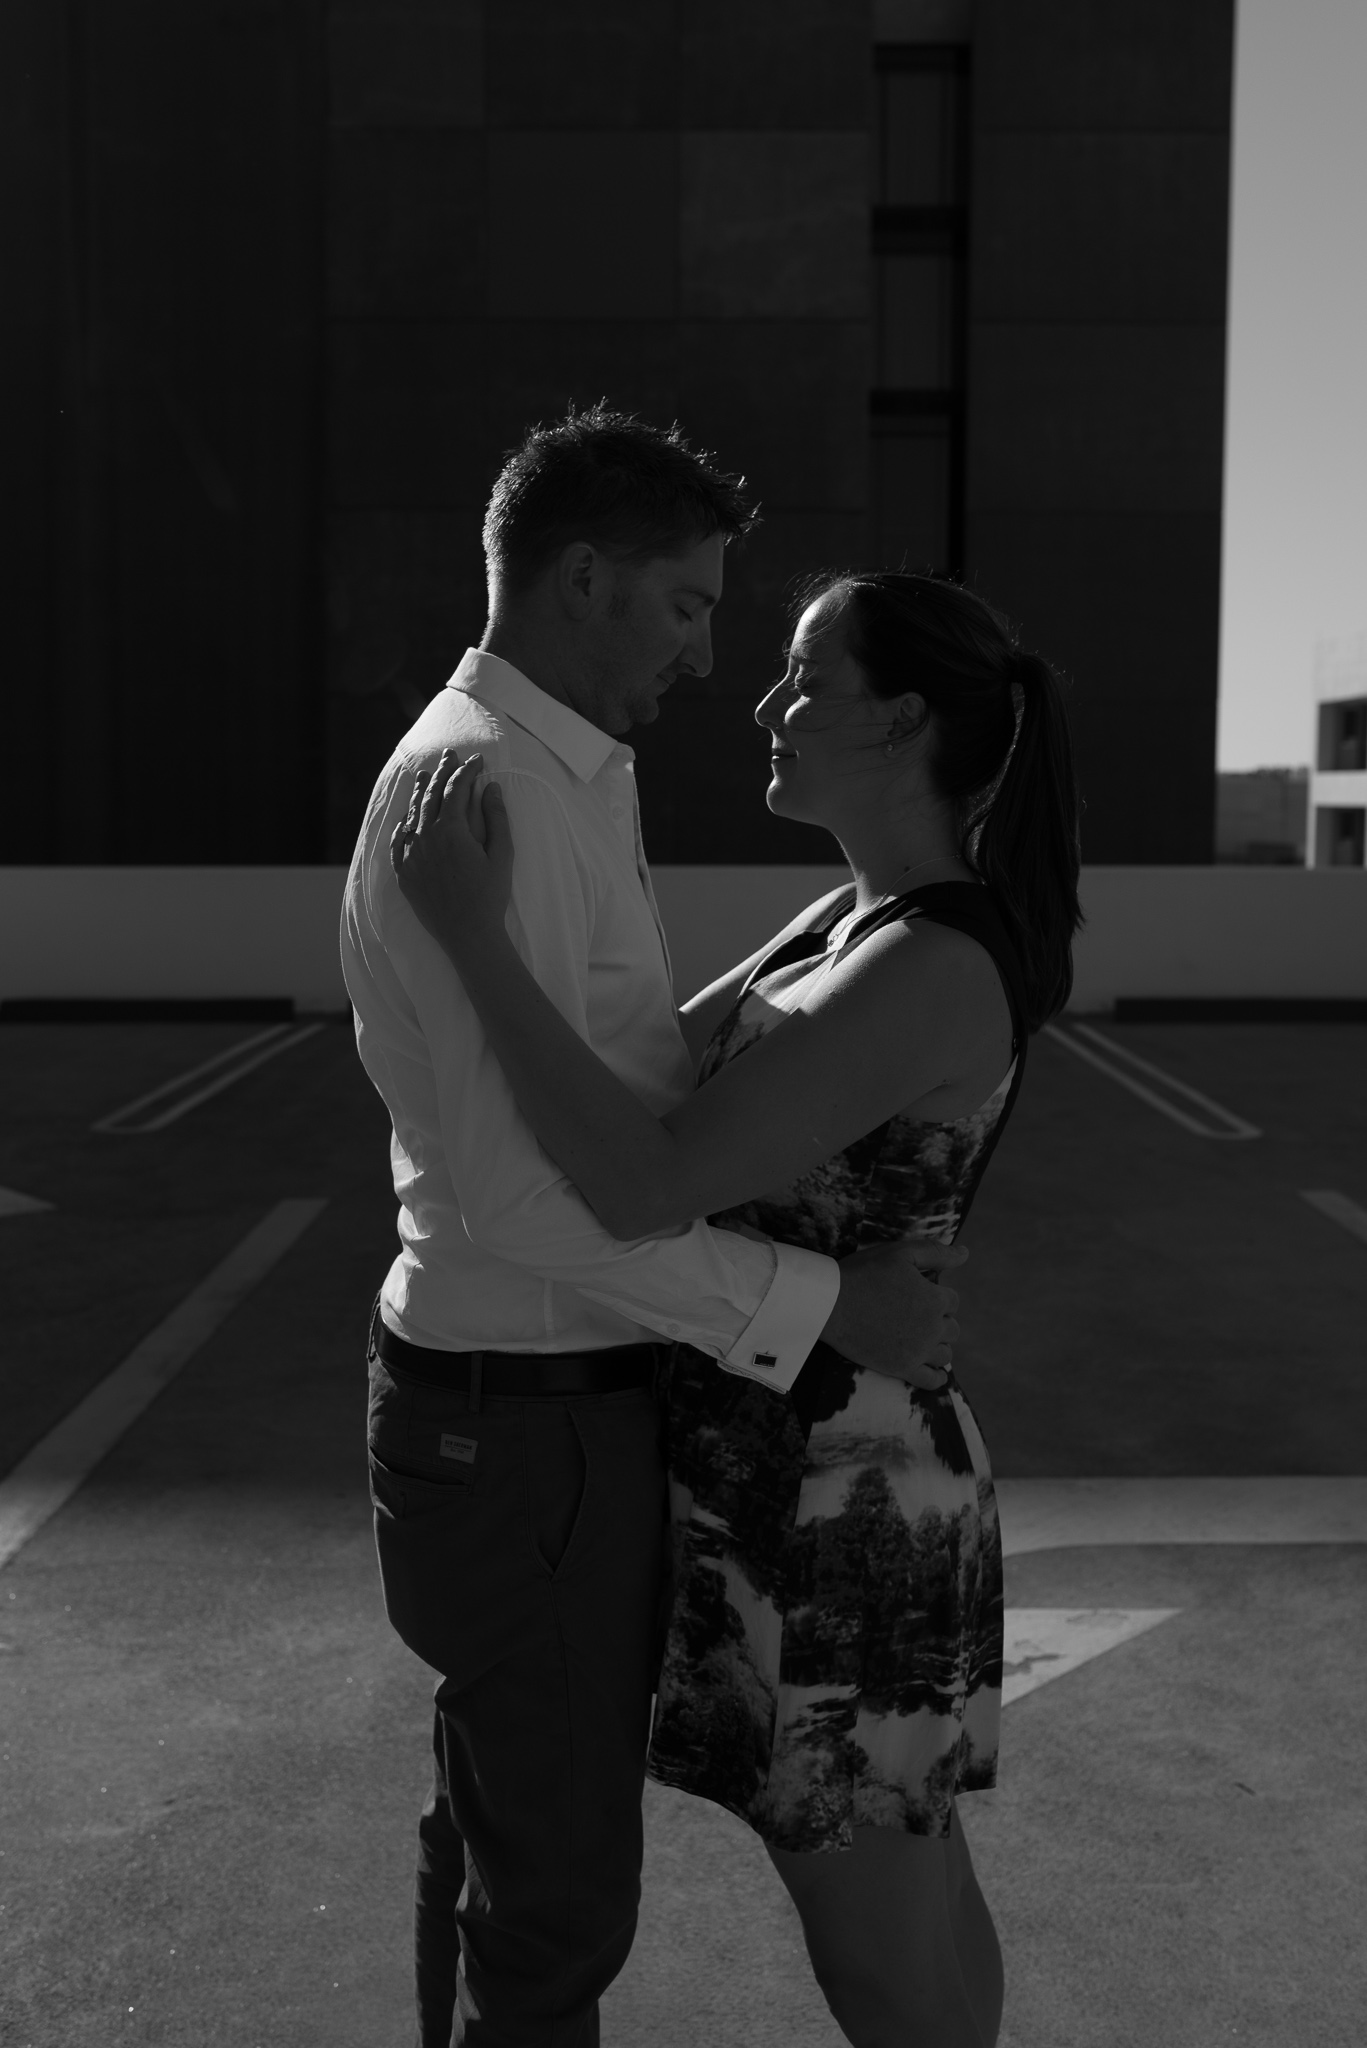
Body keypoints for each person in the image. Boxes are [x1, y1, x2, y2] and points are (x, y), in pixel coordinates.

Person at [339, 408, 967, 2048]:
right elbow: (548, 1205)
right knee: (553, 1908)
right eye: (689, 606)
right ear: (587, 576)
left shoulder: (545, 770)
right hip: (528, 1424)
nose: (706, 651)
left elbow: (609, 1074)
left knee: (495, 1841)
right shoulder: (501, 790)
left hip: (510, 1409)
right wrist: (828, 1303)